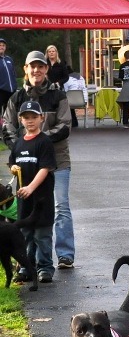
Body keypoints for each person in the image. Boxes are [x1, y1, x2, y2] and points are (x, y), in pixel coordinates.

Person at [2, 50, 75, 270]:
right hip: (26, 166)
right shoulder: (16, 97)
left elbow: (65, 125)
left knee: (61, 206)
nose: (36, 70)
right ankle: (26, 260)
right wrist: (22, 148)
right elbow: (7, 127)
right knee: (27, 210)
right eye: (32, 66)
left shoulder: (58, 95)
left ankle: (64, 255)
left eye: (41, 66)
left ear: (46, 69)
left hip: (58, 160)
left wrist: (39, 141)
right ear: (25, 69)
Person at [9, 100, 56, 283]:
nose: (30, 121)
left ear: (41, 118)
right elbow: (13, 162)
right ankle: (27, 267)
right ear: (20, 120)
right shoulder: (18, 143)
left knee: (42, 235)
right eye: (26, 117)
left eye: (34, 117)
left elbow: (45, 168)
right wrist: (13, 167)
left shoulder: (44, 142)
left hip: (41, 199)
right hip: (24, 200)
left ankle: (45, 267)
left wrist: (31, 188)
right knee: (25, 234)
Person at [0, 36, 17, 116]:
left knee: (9, 113)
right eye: (0, 45)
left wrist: (15, 86)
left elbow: (13, 73)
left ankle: (7, 128)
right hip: (1, 90)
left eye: (3, 45)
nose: (1, 47)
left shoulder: (9, 59)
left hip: (11, 91)